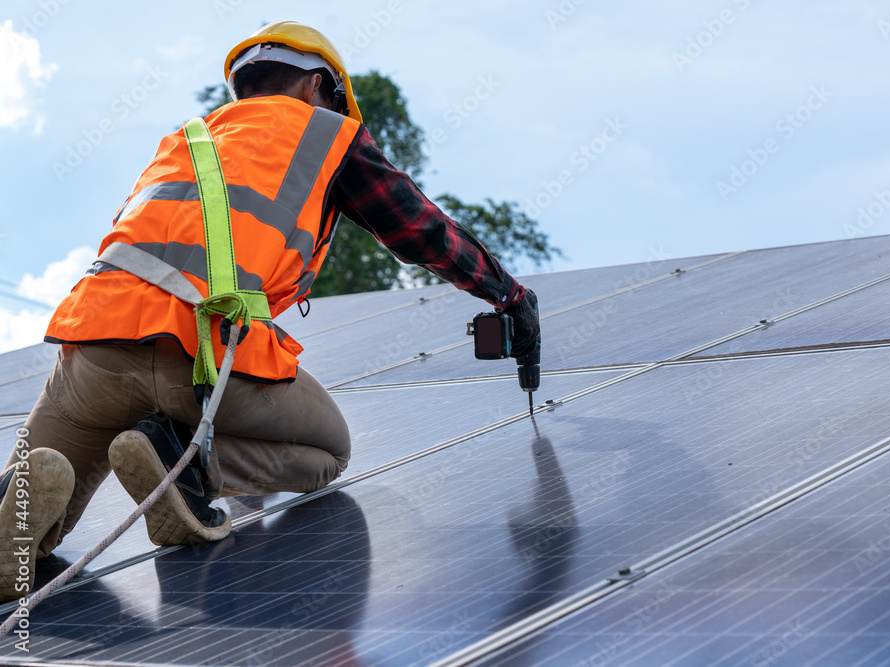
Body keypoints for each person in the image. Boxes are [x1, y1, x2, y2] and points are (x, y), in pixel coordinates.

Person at [0, 21, 539, 602]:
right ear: (315, 86)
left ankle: (15, 519)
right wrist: (510, 297)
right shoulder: (326, 136)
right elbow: (420, 231)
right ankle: (188, 464)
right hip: (203, 356)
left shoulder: (186, 138)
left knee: (28, 499)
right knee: (331, 451)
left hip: (93, 347)